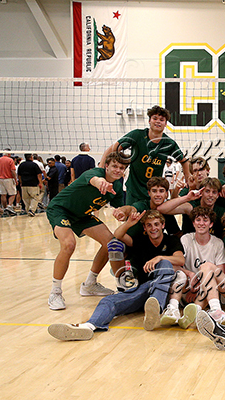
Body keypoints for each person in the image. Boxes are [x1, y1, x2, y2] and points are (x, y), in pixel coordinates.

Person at [47, 210, 184, 340]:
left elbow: (180, 260)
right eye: (149, 225)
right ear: (144, 227)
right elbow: (118, 235)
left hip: (166, 290)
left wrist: (159, 258)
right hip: (144, 290)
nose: (153, 228)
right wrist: (129, 223)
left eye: (156, 224)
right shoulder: (140, 241)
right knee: (109, 301)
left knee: (165, 264)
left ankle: (156, 306)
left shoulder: (171, 240)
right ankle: (89, 326)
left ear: (163, 225)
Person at [46, 152, 129, 310]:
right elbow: (95, 180)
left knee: (111, 243)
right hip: (61, 209)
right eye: (114, 166)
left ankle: (90, 284)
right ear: (106, 166)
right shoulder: (95, 173)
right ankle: (55, 292)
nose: (118, 170)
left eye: (121, 168)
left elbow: (119, 208)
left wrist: (122, 213)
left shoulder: (118, 186)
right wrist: (101, 183)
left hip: (82, 215)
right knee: (69, 244)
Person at [99, 105, 192, 205]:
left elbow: (184, 161)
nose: (158, 121)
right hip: (134, 189)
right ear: (149, 121)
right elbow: (111, 150)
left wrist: (188, 177)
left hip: (154, 192)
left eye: (161, 120)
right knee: (131, 213)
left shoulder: (169, 143)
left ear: (165, 124)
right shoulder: (136, 135)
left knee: (153, 215)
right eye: (155, 118)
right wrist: (100, 171)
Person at [160, 206, 225, 328]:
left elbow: (220, 273)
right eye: (198, 220)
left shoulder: (218, 243)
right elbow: (175, 265)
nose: (201, 223)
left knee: (210, 283)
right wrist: (190, 274)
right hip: (186, 287)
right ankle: (173, 310)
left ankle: (194, 312)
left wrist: (199, 286)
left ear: (211, 224)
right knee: (179, 274)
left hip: (206, 289)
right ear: (193, 223)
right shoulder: (185, 239)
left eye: (205, 220)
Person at [0, 149, 18, 216]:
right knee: (13, 194)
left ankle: (5, 208)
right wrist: (15, 179)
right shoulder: (10, 160)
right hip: (9, 179)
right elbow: (12, 171)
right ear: (9, 154)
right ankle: (9, 206)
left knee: (3, 194)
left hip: (0, 179)